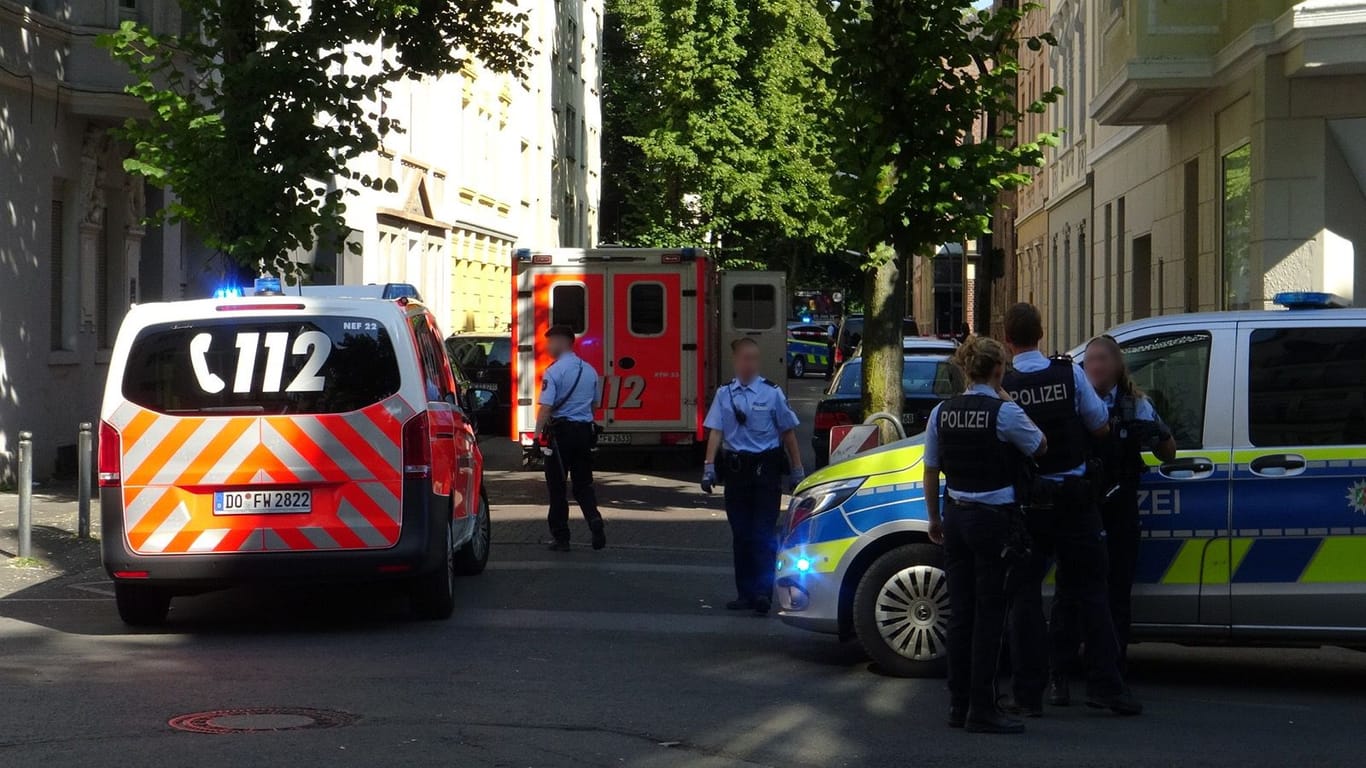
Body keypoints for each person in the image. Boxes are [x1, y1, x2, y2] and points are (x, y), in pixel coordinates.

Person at [1000, 303, 1142, 717]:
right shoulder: (1069, 373)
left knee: (1024, 599)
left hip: (1028, 508)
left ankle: (1027, 696)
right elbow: (1099, 426)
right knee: (1094, 594)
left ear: (1008, 339)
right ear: (1041, 333)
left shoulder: (1005, 385)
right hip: (1077, 503)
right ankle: (1107, 688)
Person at [924, 337, 1047, 735]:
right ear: (997, 371)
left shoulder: (941, 412)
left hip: (955, 516)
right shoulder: (1004, 412)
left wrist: (934, 519)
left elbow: (931, 469)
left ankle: (957, 704)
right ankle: (983, 706)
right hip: (993, 520)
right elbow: (1040, 445)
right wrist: (1005, 396)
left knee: (960, 615)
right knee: (989, 616)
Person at [1050, 335, 1176, 682]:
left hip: (1119, 508)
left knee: (1117, 594)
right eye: (1089, 360)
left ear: (1118, 366)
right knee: (1070, 592)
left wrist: (1158, 433)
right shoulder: (1072, 402)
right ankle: (1063, 673)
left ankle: (1111, 671)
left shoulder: (1135, 404)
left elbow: (1169, 453)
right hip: (1080, 508)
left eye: (1102, 359)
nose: (1095, 366)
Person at [700, 338, 805, 615]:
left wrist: (797, 471)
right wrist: (709, 468)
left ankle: (762, 593)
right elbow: (716, 431)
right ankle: (744, 593)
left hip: (765, 471)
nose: (750, 364)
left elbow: (788, 433)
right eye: (745, 358)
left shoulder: (771, 393)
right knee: (741, 535)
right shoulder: (725, 394)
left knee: (762, 534)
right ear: (736, 361)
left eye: (754, 358)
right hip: (736, 472)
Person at [536, 325, 606, 552]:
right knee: (583, 484)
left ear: (561, 341)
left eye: (550, 342)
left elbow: (546, 408)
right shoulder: (590, 370)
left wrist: (538, 437)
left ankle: (561, 537)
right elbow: (595, 404)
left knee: (557, 487)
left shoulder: (554, 372)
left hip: (560, 436)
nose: (547, 347)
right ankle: (594, 519)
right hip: (584, 433)